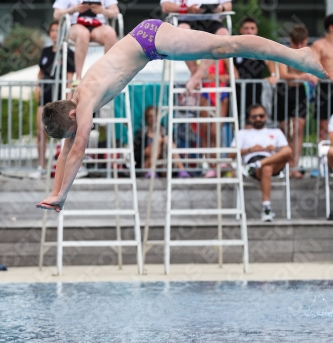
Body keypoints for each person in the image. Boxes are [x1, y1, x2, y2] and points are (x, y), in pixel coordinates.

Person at [35, 18, 326, 212]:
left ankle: (297, 56)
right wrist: (55, 194)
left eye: (73, 129)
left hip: (152, 41)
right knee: (222, 49)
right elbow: (65, 153)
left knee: (226, 47)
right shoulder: (75, 100)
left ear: (72, 116)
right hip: (149, 43)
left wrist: (63, 194)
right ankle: (294, 56)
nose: (78, 133)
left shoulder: (84, 101)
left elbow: (78, 151)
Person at [53, 0, 119, 81]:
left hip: (97, 26)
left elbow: (115, 11)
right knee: (83, 34)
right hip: (75, 26)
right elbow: (56, 14)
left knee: (111, 33)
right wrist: (74, 9)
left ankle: (106, 75)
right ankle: (78, 76)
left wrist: (102, 10)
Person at [29, 20, 75, 180]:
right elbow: (41, 73)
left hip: (60, 99)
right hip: (45, 98)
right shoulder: (46, 51)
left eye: (58, 30)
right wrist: (37, 87)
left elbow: (70, 77)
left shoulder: (68, 52)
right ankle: (41, 166)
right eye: (52, 30)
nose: (55, 33)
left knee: (64, 133)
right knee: (40, 132)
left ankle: (67, 168)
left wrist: (68, 100)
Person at [230, 104, 292, 222]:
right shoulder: (242, 133)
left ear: (266, 117)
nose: (258, 119)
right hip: (252, 160)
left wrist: (274, 149)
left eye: (261, 116)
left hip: (272, 161)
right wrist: (250, 149)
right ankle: (266, 208)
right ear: (250, 118)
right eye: (255, 116)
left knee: (287, 150)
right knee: (266, 169)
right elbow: (230, 155)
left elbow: (287, 152)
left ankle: (259, 164)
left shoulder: (276, 131)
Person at [276, 25, 314, 179]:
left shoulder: (309, 53)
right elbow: (283, 74)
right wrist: (303, 76)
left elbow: (315, 72)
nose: (298, 47)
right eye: (295, 43)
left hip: (300, 92)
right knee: (284, 130)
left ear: (306, 41)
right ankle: (284, 165)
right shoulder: (284, 52)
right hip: (284, 92)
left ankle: (294, 166)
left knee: (298, 129)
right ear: (290, 41)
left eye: (301, 44)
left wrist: (310, 76)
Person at [233, 17, 278, 125]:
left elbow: (269, 61)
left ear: (256, 30)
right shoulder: (235, 46)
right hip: (238, 91)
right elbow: (225, 58)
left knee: (255, 122)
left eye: (252, 28)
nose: (249, 31)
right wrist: (233, 71)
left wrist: (273, 74)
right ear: (241, 30)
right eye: (246, 28)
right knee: (237, 123)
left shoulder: (260, 48)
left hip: (256, 92)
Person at [134, 106, 190, 178]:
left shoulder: (165, 131)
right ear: (147, 119)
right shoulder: (142, 133)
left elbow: (175, 149)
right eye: (150, 116)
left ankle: (182, 170)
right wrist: (144, 152)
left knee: (167, 139)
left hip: (163, 163)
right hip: (147, 163)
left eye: (155, 115)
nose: (153, 118)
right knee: (159, 139)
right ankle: (151, 170)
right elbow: (135, 154)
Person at [200, 59, 229, 178]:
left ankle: (217, 164)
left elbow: (235, 75)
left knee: (214, 132)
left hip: (221, 94)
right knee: (206, 133)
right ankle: (211, 166)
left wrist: (223, 77)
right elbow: (196, 74)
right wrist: (209, 76)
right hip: (206, 93)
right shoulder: (201, 55)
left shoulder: (225, 57)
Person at [311, 14, 333, 142]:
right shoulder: (319, 45)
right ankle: (323, 161)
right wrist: (329, 75)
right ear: (331, 27)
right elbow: (315, 66)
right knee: (323, 127)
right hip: (326, 88)